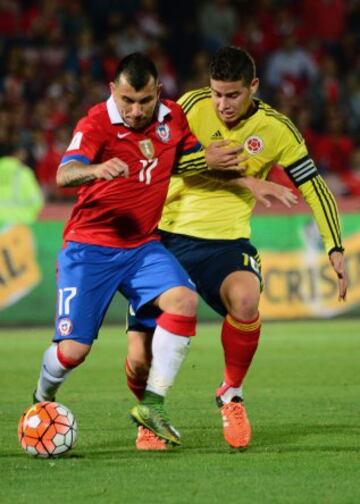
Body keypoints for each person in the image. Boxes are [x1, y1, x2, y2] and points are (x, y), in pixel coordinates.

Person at [32, 51, 290, 448]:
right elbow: (64, 173)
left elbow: (189, 161)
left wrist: (236, 174)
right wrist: (96, 170)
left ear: (159, 93)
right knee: (73, 350)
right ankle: (41, 399)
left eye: (145, 101)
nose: (135, 111)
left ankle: (153, 405)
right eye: (127, 101)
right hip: (90, 247)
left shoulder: (172, 118)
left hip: (142, 247)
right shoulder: (97, 122)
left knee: (184, 301)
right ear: (113, 92)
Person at [126, 46, 348, 451]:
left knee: (246, 300)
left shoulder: (277, 129)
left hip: (225, 242)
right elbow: (152, 157)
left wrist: (335, 245)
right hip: (165, 237)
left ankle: (231, 393)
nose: (223, 104)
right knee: (139, 358)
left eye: (233, 95)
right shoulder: (189, 106)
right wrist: (240, 178)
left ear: (254, 87)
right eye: (217, 93)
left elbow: (314, 186)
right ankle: (149, 414)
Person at [0, 145, 44, 225]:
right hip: (20, 223)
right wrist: (29, 217)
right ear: (16, 154)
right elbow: (36, 201)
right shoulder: (24, 173)